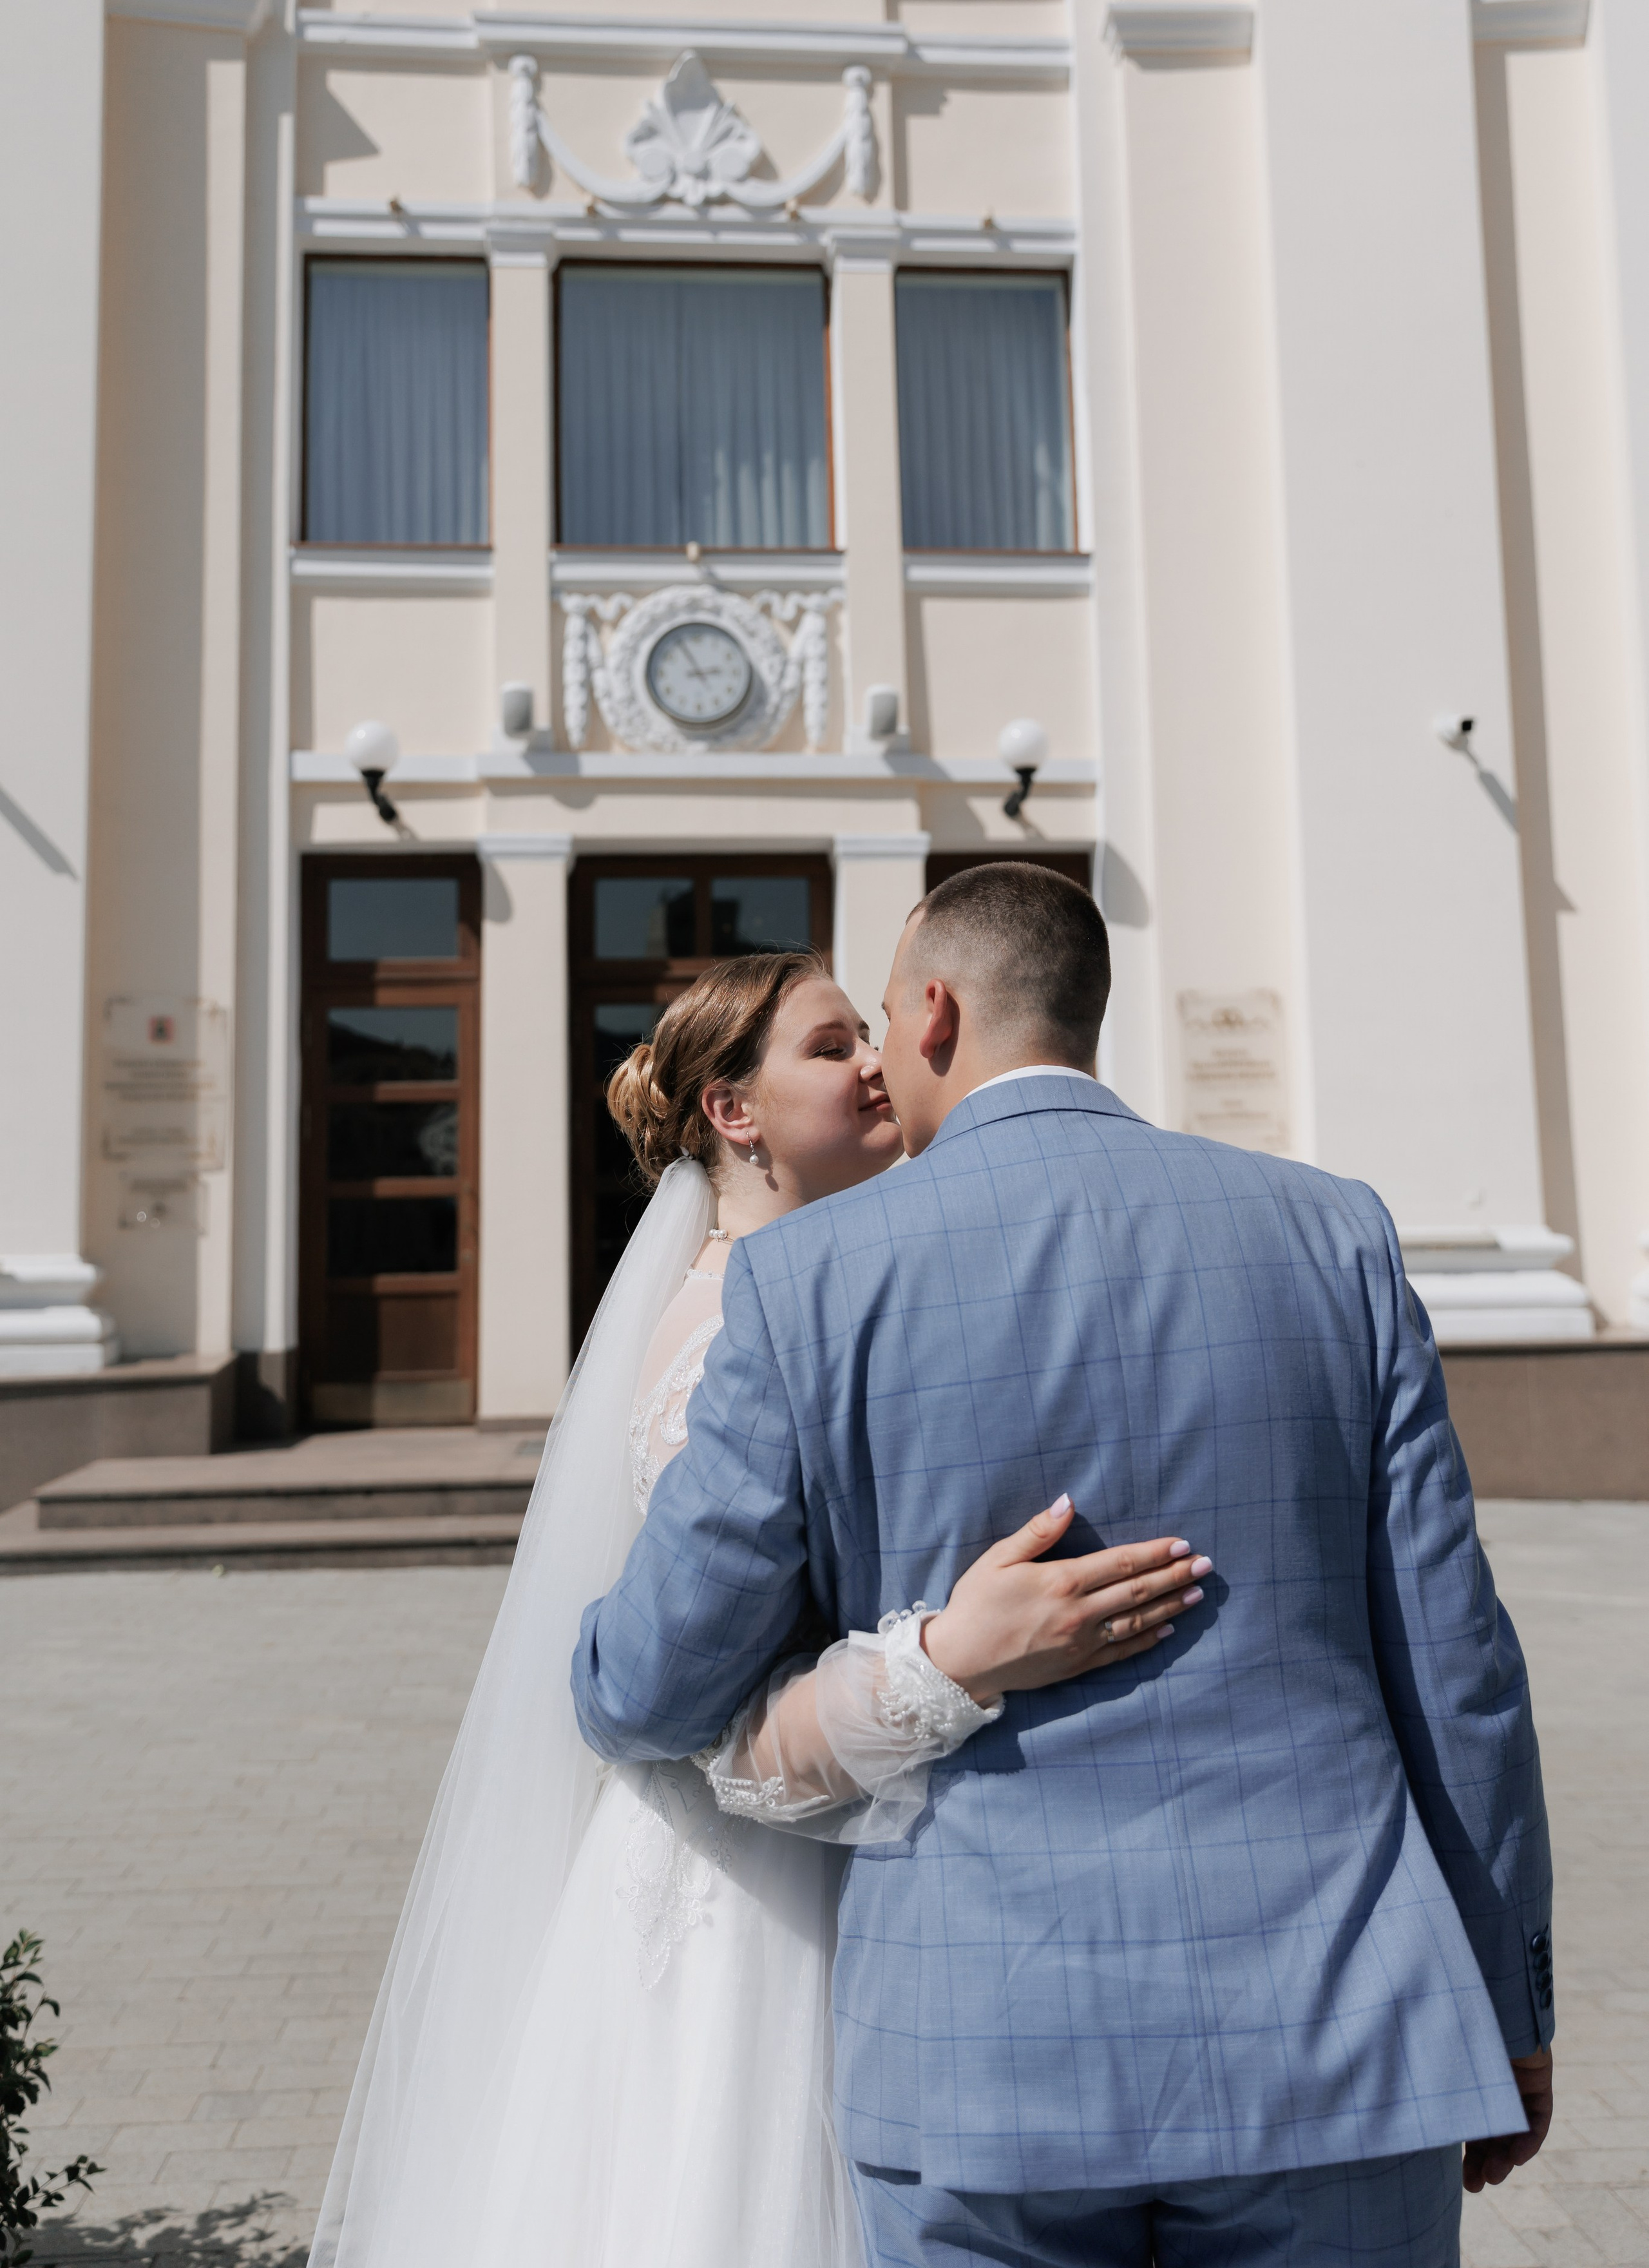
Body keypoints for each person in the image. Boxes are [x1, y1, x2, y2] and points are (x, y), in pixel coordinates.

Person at [575, 861, 1556, 2268]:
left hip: (980, 2067)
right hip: (1340, 2035)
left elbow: (655, 1690)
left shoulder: (805, 1284)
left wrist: (593, 1660)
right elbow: (1457, 1668)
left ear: (929, 1013)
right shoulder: (1333, 1230)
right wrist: (1506, 2012)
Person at [309, 947, 1209, 2268]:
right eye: (829, 1044)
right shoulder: (739, 1309)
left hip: (884, 1850)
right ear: (734, 1113)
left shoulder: (852, 1280)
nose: (873, 1061)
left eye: (868, 1033)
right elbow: (684, 1693)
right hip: (751, 1880)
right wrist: (952, 1657)